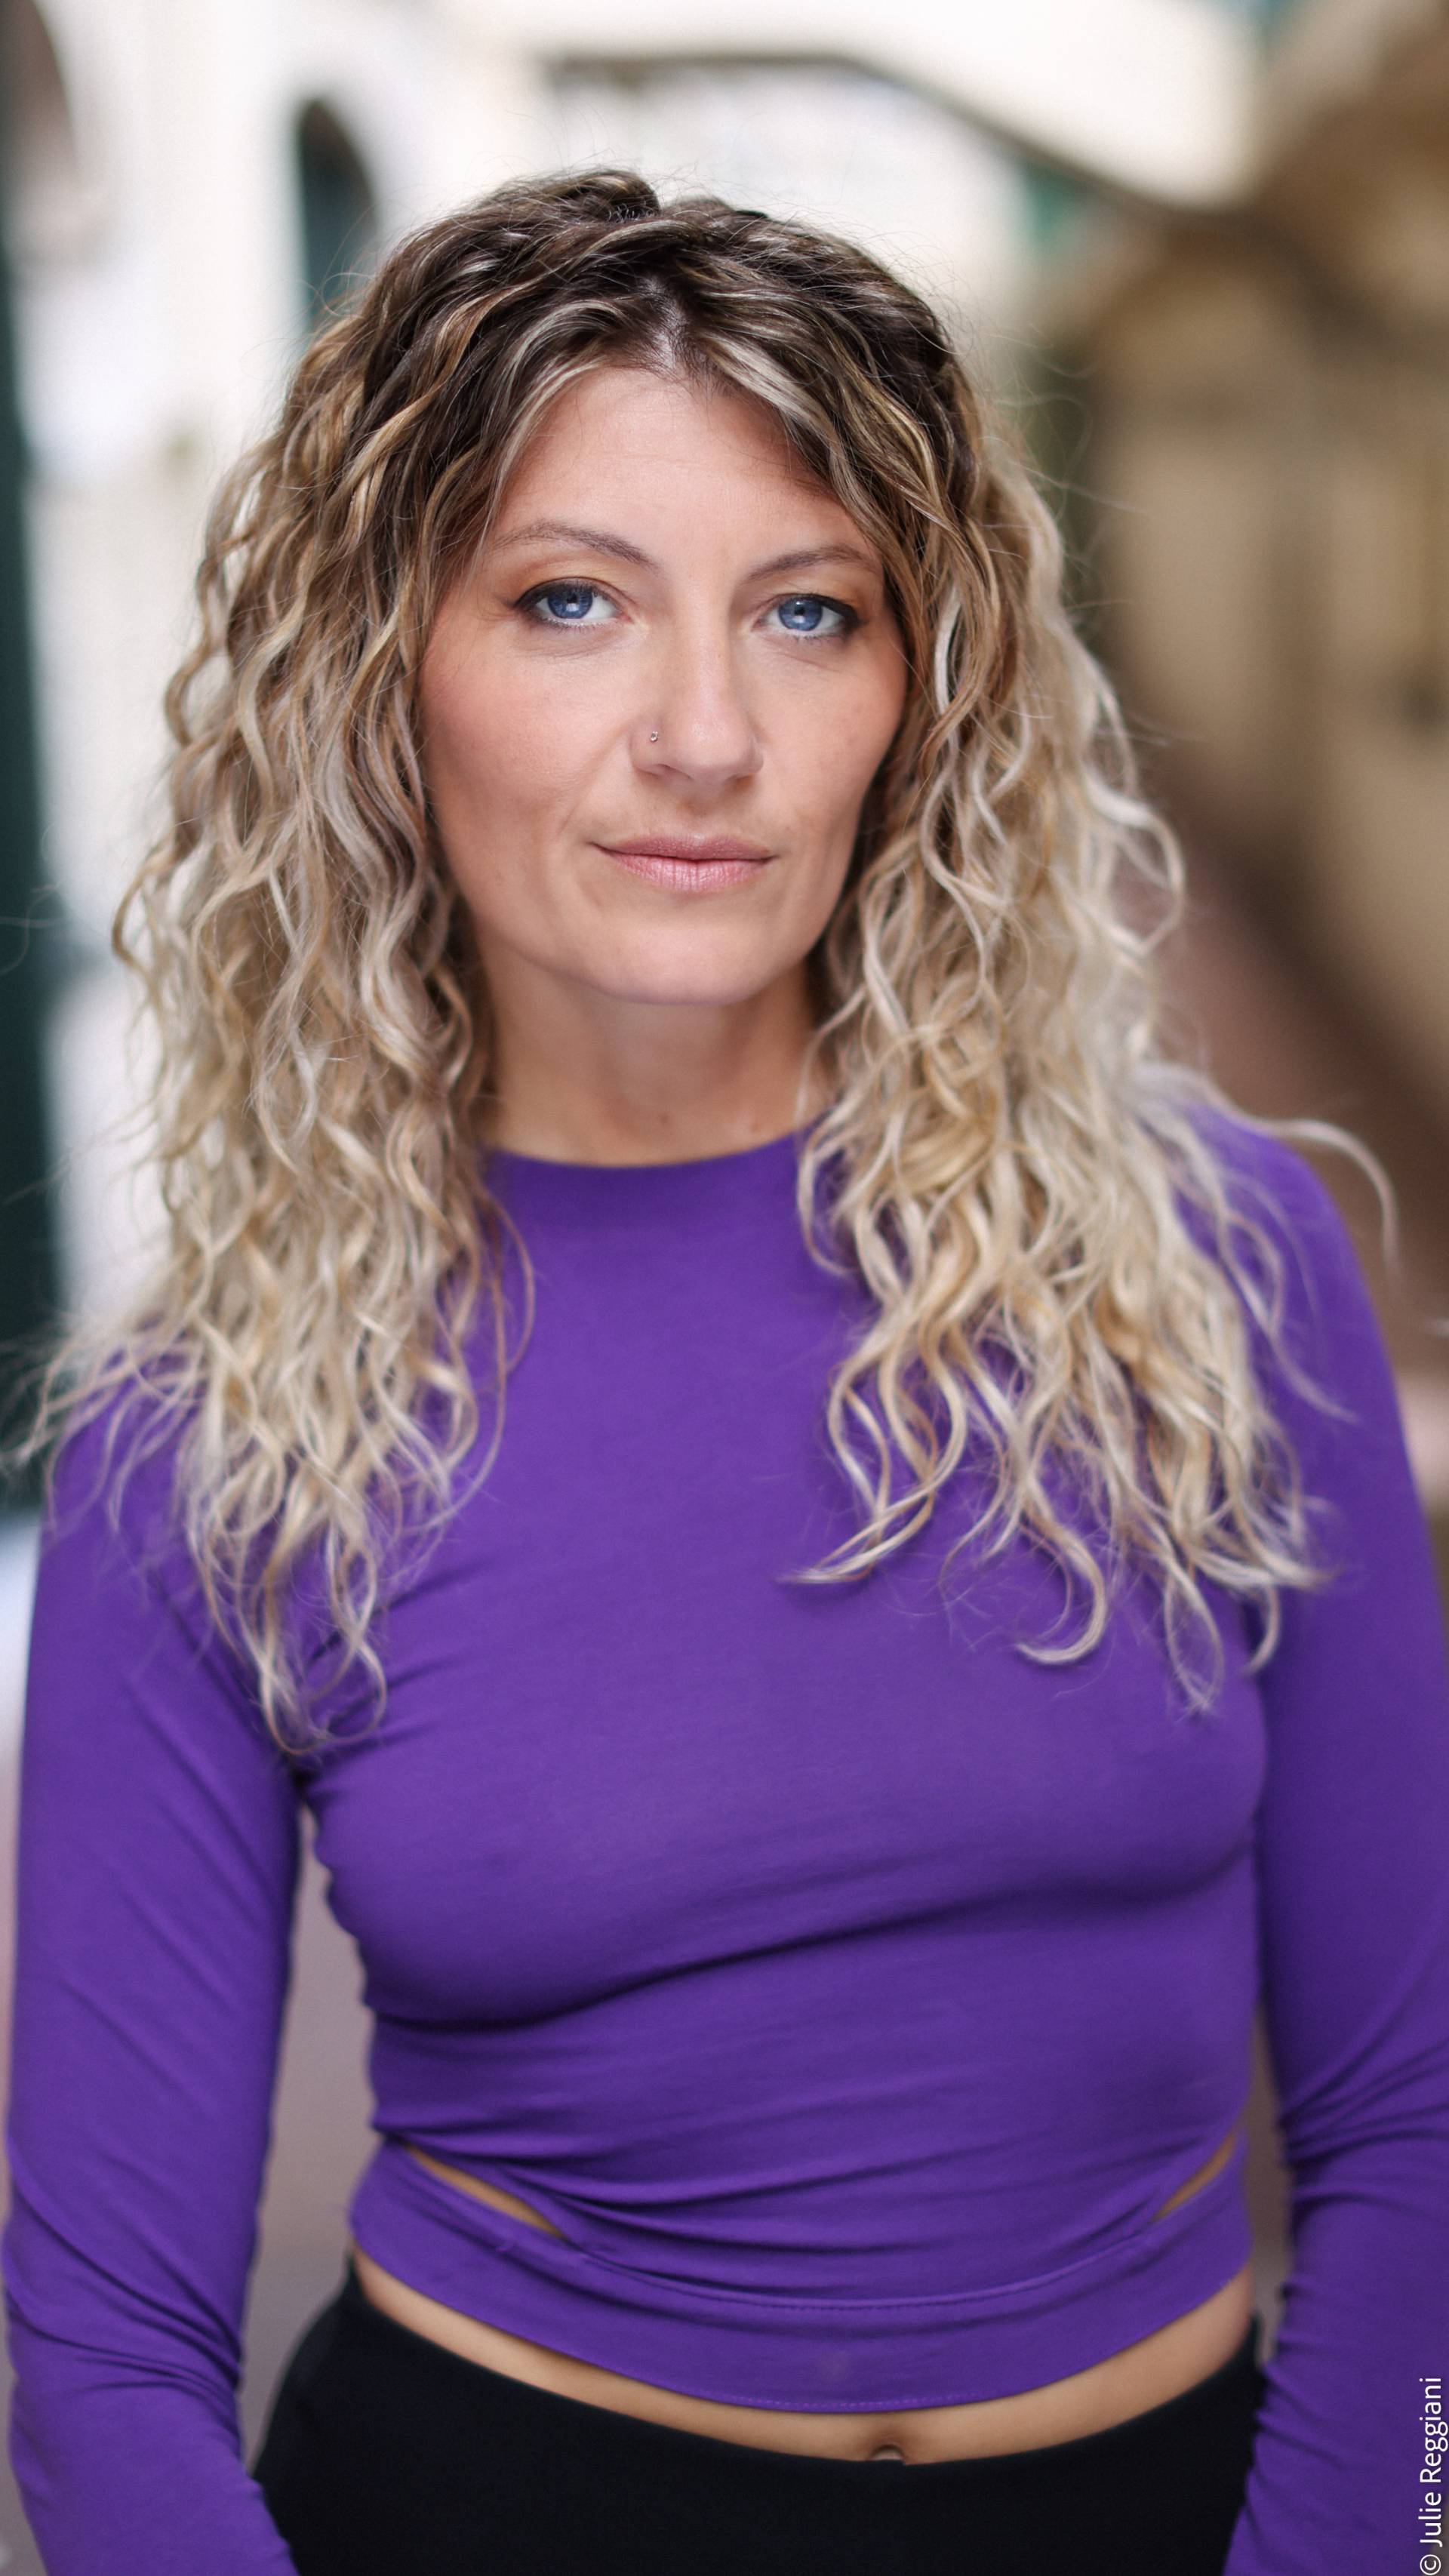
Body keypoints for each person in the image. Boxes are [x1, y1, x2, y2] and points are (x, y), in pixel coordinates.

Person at [3, 168, 1445, 2576]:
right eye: (572, 602)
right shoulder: (220, 1424)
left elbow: (1417, 2116)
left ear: (922, 691)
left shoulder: (1211, 1264)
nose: (707, 736)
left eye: (810, 611)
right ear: (383, 674)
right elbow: (101, 2353)